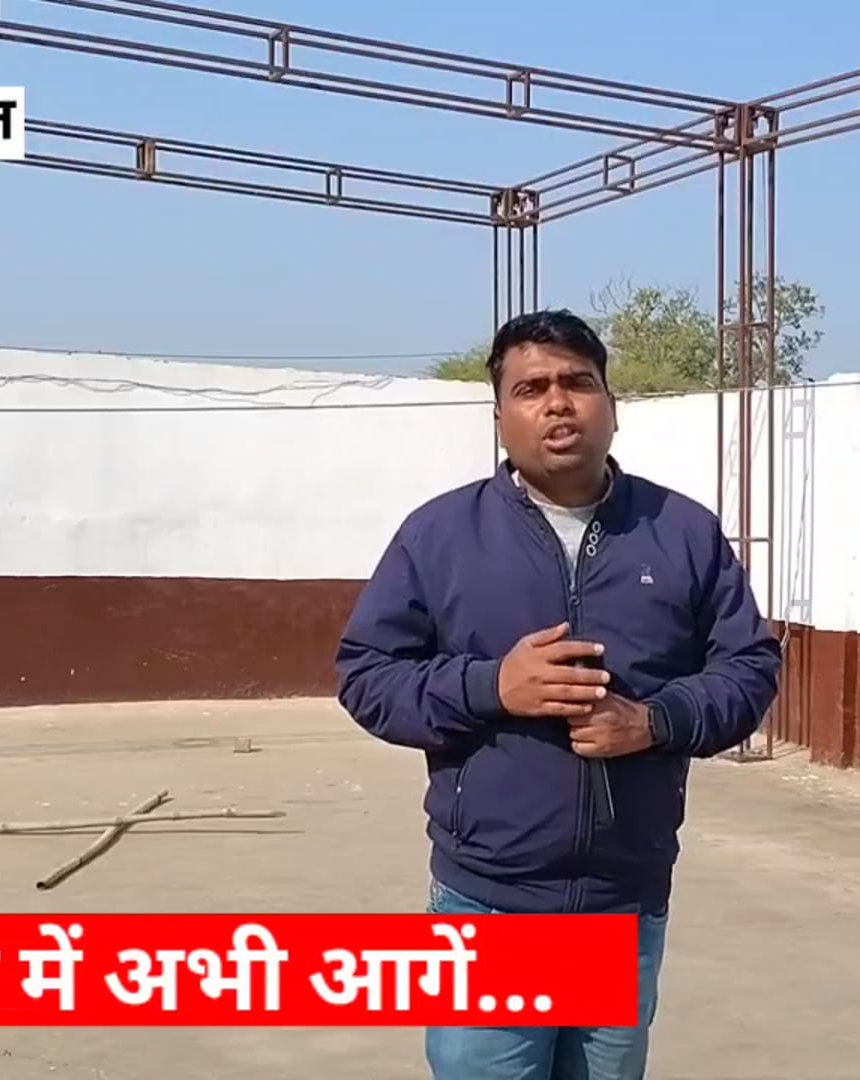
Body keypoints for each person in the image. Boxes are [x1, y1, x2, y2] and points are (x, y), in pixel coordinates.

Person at [334, 308, 782, 1080]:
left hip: (622, 900)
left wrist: (656, 720)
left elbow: (749, 666)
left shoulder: (682, 532)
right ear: (500, 419)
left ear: (611, 405)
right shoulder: (441, 536)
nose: (557, 403)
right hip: (491, 901)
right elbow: (368, 674)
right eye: (531, 388)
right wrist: (492, 685)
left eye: (578, 382)